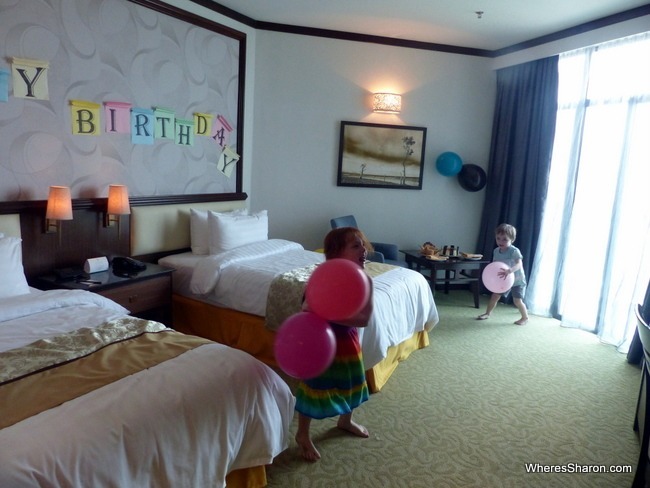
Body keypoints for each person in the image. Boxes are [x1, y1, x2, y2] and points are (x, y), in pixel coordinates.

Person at [294, 227, 374, 461]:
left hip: (347, 340)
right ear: (336, 253)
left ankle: (345, 420)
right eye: (355, 246)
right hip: (321, 341)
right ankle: (302, 434)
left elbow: (364, 319)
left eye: (362, 244)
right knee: (314, 385)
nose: (364, 250)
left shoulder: (366, 280)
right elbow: (307, 307)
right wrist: (322, 313)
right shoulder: (323, 276)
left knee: (351, 381)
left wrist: (328, 314)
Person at [477, 223, 529, 325]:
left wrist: (509, 271)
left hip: (517, 280)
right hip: (502, 280)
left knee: (517, 301)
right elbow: (495, 265)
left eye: (505, 239)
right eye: (498, 238)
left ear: (512, 240)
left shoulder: (514, 251)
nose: (500, 241)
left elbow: (519, 264)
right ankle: (487, 313)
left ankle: (525, 317)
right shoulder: (496, 251)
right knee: (494, 296)